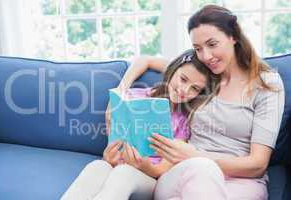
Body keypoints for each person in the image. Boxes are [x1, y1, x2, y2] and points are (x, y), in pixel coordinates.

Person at [146, 5, 285, 200]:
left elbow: (258, 165)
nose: (206, 56)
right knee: (201, 170)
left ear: (233, 36)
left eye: (212, 44)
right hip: (183, 172)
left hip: (240, 182)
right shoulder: (202, 75)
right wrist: (118, 93)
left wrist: (195, 156)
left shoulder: (266, 83)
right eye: (198, 49)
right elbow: (150, 62)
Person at [61, 49, 220, 200]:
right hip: (118, 165)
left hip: (148, 178)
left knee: (123, 173)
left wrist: (142, 165)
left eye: (195, 89)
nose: (184, 90)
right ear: (172, 71)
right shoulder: (134, 97)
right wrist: (109, 157)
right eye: (183, 79)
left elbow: (161, 169)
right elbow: (114, 142)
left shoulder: (185, 120)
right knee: (96, 167)